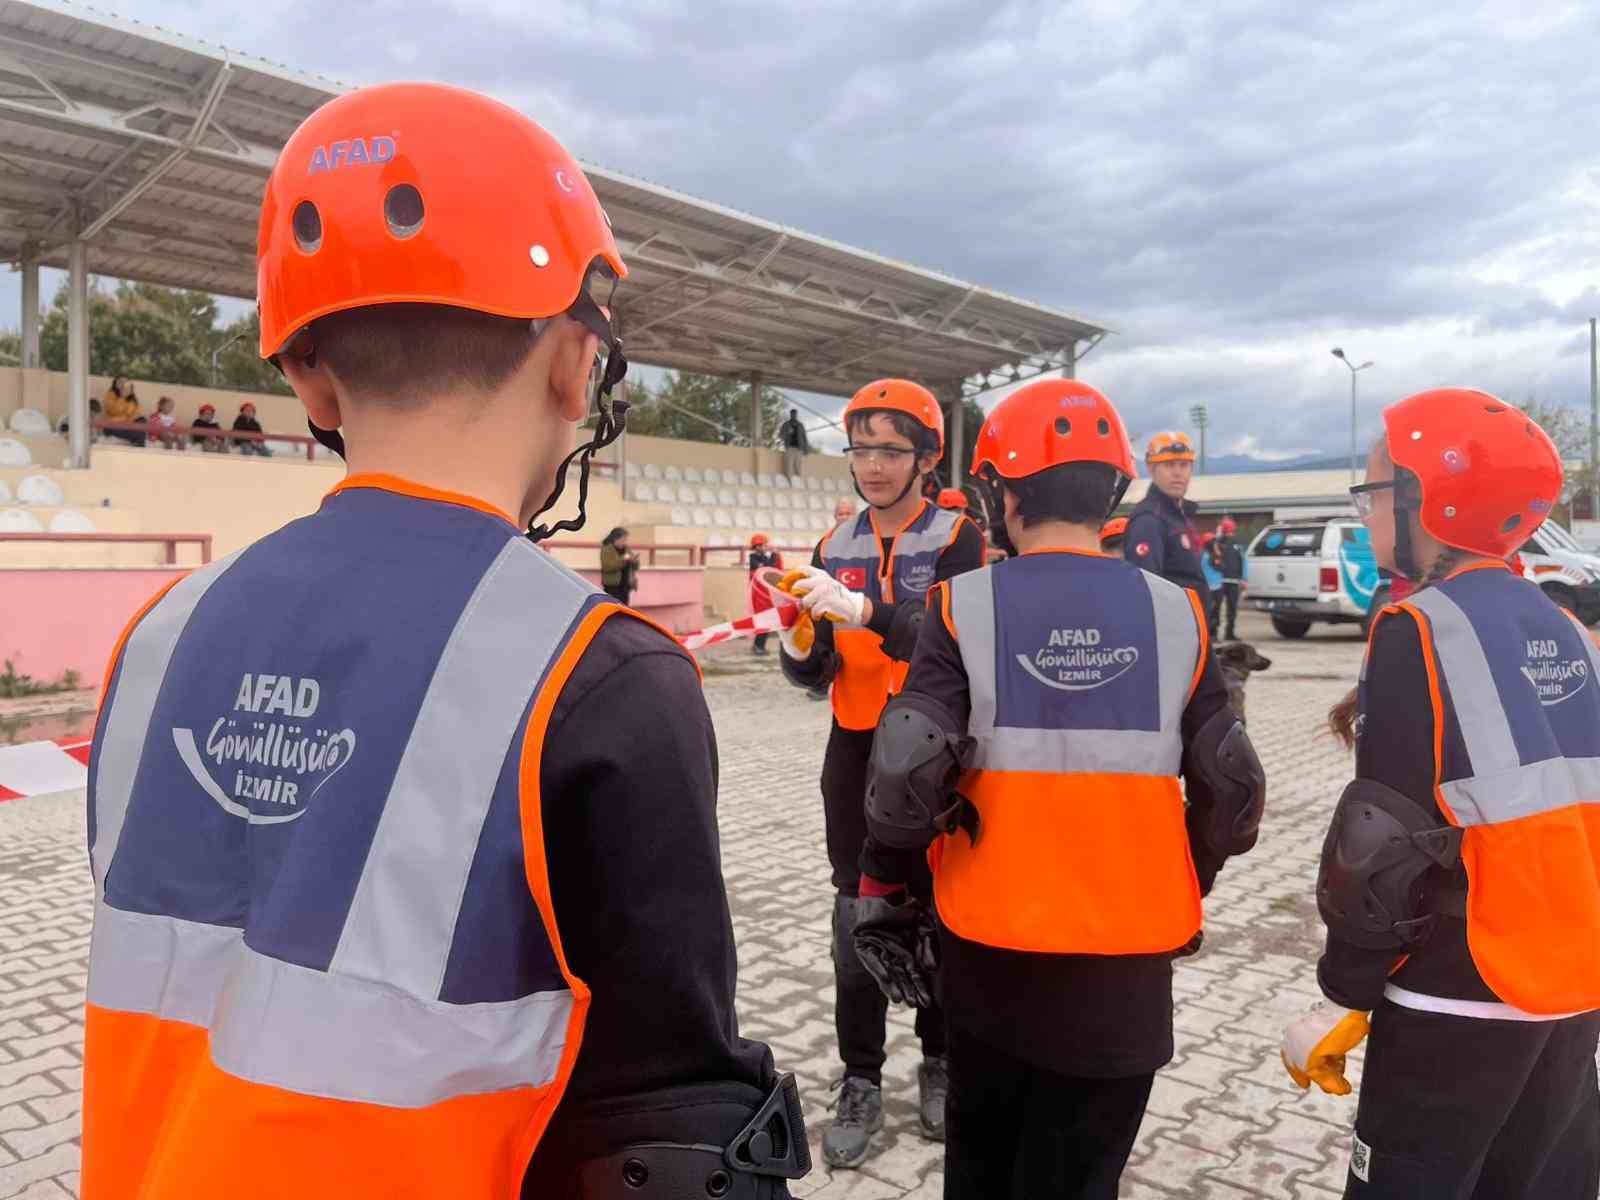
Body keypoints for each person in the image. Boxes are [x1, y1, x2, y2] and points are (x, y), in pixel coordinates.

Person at [80, 82, 806, 1200]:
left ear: (308, 377)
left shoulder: (158, 637)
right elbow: (665, 1131)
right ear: (575, 364)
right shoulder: (602, 674)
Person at [850, 379, 1264, 1199]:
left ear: (1001, 492)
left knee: (982, 1171)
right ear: (1113, 492)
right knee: (1080, 1179)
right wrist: (1186, 884)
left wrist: (881, 894)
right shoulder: (1178, 612)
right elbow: (1231, 785)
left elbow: (905, 770)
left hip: (989, 951)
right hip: (1127, 968)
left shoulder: (963, 604)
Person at [1283, 388, 1599, 1199]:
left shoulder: (1418, 627)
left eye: (1374, 492)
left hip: (1457, 993)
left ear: (1430, 496)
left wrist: (1343, 993)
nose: (1365, 512)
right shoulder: (1560, 623)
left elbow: (1379, 846)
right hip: (1570, 990)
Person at [777, 378, 986, 1167]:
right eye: (860, 448)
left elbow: (950, 641)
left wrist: (864, 613)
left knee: (935, 910)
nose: (871, 465)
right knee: (854, 921)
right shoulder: (834, 547)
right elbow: (815, 668)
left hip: (935, 749)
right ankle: (860, 1075)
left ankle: (938, 1059)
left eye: (890, 450)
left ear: (927, 458)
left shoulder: (959, 538)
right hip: (857, 746)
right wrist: (801, 643)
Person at [1124, 431, 1207, 605]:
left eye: (1184, 465)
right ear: (1152, 469)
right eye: (1169, 465)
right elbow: (1145, 590)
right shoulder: (1149, 520)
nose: (1177, 473)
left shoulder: (1178, 517)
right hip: (1172, 630)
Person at [1210, 517, 1245, 641]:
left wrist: (1242, 578)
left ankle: (1225, 633)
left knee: (1228, 609)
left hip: (1231, 580)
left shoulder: (1234, 544)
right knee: (1218, 608)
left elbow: (1241, 561)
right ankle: (1215, 633)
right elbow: (1213, 561)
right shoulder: (1217, 543)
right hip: (1221, 580)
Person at [748, 533, 783, 655]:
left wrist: (775, 554)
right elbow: (766, 567)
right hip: (758, 596)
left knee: (767, 623)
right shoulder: (753, 558)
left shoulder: (764, 557)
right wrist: (773, 554)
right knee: (762, 622)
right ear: (756, 546)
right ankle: (758, 646)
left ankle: (760, 646)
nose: (764, 547)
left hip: (766, 595)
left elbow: (775, 567)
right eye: (762, 545)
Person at [599, 526, 640, 605]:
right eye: (623, 540)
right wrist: (623, 560)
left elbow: (636, 567)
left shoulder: (626, 549)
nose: (625, 542)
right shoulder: (607, 549)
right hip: (613, 587)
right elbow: (607, 566)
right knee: (613, 608)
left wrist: (634, 561)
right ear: (616, 539)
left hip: (625, 586)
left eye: (626, 540)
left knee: (624, 609)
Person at [778, 407, 810, 478]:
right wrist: (787, 432)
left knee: (798, 466)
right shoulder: (786, 424)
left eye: (795, 414)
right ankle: (789, 483)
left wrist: (806, 449)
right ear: (790, 414)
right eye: (792, 414)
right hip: (789, 448)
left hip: (799, 449)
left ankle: (798, 484)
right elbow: (780, 436)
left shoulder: (800, 425)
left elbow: (804, 437)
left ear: (796, 415)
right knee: (789, 466)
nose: (794, 415)